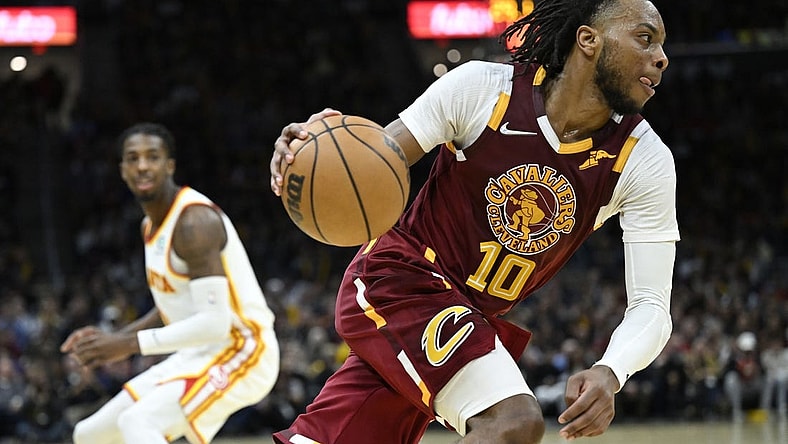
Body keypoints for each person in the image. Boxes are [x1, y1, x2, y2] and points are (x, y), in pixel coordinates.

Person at [270, 0, 677, 442]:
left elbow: (652, 306)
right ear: (588, 40)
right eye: (645, 38)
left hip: (465, 316)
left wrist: (611, 370)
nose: (661, 58)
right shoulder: (485, 90)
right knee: (512, 421)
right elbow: (375, 162)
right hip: (400, 280)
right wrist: (314, 150)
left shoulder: (643, 160)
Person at [60, 122, 280, 444]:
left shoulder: (194, 222)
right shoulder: (149, 226)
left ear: (170, 166)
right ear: (122, 170)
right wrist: (112, 341)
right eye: (133, 158)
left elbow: (215, 323)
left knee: (139, 422)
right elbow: (171, 307)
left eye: (152, 156)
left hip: (245, 349)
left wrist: (128, 345)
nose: (142, 166)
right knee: (90, 435)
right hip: (199, 353)